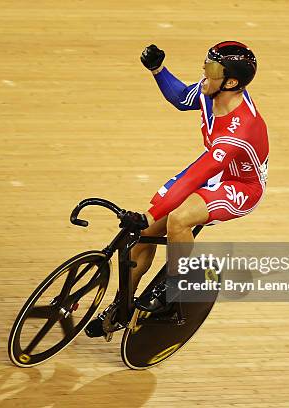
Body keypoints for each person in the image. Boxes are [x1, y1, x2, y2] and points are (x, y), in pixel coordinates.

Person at [85, 41, 269, 338]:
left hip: (241, 185)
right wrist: (158, 69)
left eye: (211, 68)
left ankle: (175, 287)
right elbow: (182, 97)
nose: (203, 72)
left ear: (231, 81)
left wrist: (151, 212)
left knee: (177, 219)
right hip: (215, 170)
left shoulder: (241, 126)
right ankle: (121, 308)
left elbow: (198, 174)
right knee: (145, 235)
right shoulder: (213, 92)